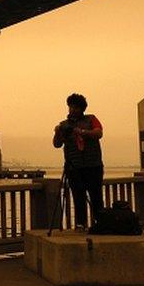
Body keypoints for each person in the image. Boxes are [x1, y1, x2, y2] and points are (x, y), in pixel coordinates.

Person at [52, 93, 104, 231]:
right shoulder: (64, 125)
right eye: (70, 107)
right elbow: (57, 144)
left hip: (93, 165)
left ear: (82, 109)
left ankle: (101, 224)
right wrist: (57, 132)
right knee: (78, 196)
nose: (72, 110)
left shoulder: (91, 119)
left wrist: (80, 132)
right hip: (73, 166)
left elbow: (98, 133)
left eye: (76, 107)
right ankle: (81, 224)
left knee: (96, 195)